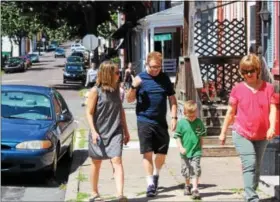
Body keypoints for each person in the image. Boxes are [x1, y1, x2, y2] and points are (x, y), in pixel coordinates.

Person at [219, 54, 277, 202]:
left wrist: (272, 128)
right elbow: (230, 112)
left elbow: (273, 110)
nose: (248, 74)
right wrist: (223, 132)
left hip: (262, 134)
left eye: (251, 71)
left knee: (257, 167)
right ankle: (251, 198)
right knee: (250, 163)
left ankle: (250, 190)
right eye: (244, 72)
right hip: (242, 132)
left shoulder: (269, 88)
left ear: (258, 70)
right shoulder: (237, 89)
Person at [126, 51, 178, 197]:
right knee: (147, 153)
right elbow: (129, 100)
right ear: (147, 64)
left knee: (162, 153)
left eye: (158, 67)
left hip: (160, 121)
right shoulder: (140, 78)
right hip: (144, 120)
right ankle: (150, 183)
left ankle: (156, 174)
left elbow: (172, 99)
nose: (155, 70)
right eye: (153, 67)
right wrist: (133, 87)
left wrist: (174, 117)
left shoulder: (165, 78)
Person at [86, 61, 130, 202]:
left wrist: (126, 130)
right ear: (108, 74)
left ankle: (120, 195)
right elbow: (89, 113)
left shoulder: (117, 88)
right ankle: (94, 192)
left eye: (119, 72)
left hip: (115, 129)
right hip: (99, 131)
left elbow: (121, 110)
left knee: (116, 160)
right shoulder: (95, 91)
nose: (119, 75)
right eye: (117, 73)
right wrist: (93, 131)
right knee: (96, 162)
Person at [174, 100, 206, 199]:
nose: (192, 118)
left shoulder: (199, 122)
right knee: (186, 170)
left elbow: (201, 137)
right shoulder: (181, 123)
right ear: (185, 113)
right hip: (185, 151)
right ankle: (187, 185)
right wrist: (180, 147)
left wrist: (200, 148)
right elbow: (178, 137)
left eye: (194, 115)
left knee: (195, 168)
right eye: (189, 116)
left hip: (196, 151)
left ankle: (195, 189)